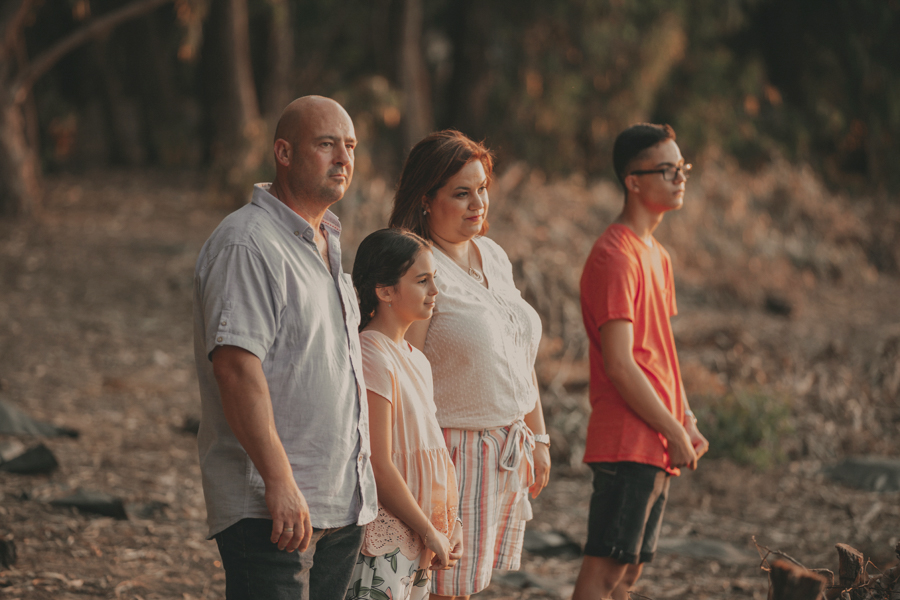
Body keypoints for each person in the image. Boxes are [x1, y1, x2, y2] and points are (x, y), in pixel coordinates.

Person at [192, 96, 377, 600]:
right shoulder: (248, 244)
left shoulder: (327, 241)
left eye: (351, 147)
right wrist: (279, 482)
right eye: (326, 145)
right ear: (284, 152)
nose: (344, 158)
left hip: (338, 503)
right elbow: (235, 370)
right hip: (272, 509)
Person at [389, 130, 551, 599]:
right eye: (461, 193)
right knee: (439, 588)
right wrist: (427, 471)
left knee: (467, 587)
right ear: (426, 198)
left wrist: (537, 434)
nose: (477, 202)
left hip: (505, 450)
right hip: (452, 452)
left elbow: (518, 350)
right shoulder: (416, 265)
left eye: (481, 188)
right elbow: (405, 371)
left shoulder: (493, 255)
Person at [572, 124, 710, 600]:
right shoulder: (615, 255)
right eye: (667, 170)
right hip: (626, 441)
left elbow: (660, 351)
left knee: (628, 575)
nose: (679, 178)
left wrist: (685, 418)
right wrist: (672, 429)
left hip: (655, 439)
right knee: (605, 572)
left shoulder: (657, 255)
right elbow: (621, 364)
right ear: (633, 180)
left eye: (682, 168)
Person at [347, 228, 463, 600]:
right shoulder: (372, 354)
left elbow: (429, 449)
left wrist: (449, 523)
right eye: (422, 280)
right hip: (390, 535)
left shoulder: (418, 360)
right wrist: (428, 529)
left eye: (435, 280)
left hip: (422, 536)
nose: (434, 291)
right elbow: (379, 462)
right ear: (384, 291)